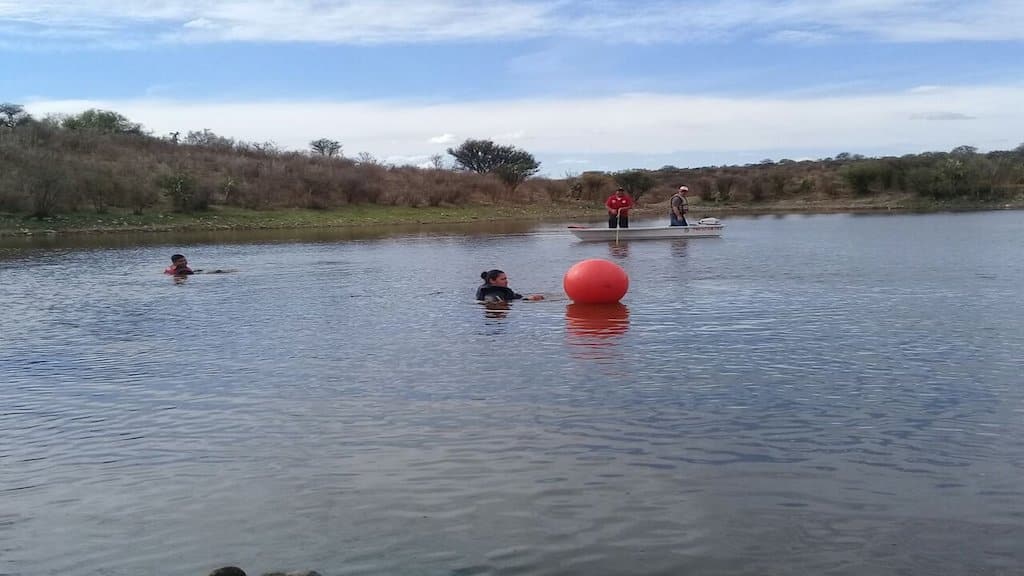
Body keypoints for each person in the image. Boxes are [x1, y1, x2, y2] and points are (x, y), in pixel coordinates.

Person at [476, 269, 544, 302]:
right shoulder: (494, 294)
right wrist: (528, 299)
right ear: (492, 281)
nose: (506, 281)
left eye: (506, 279)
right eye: (502, 279)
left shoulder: (484, 289)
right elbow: (499, 303)